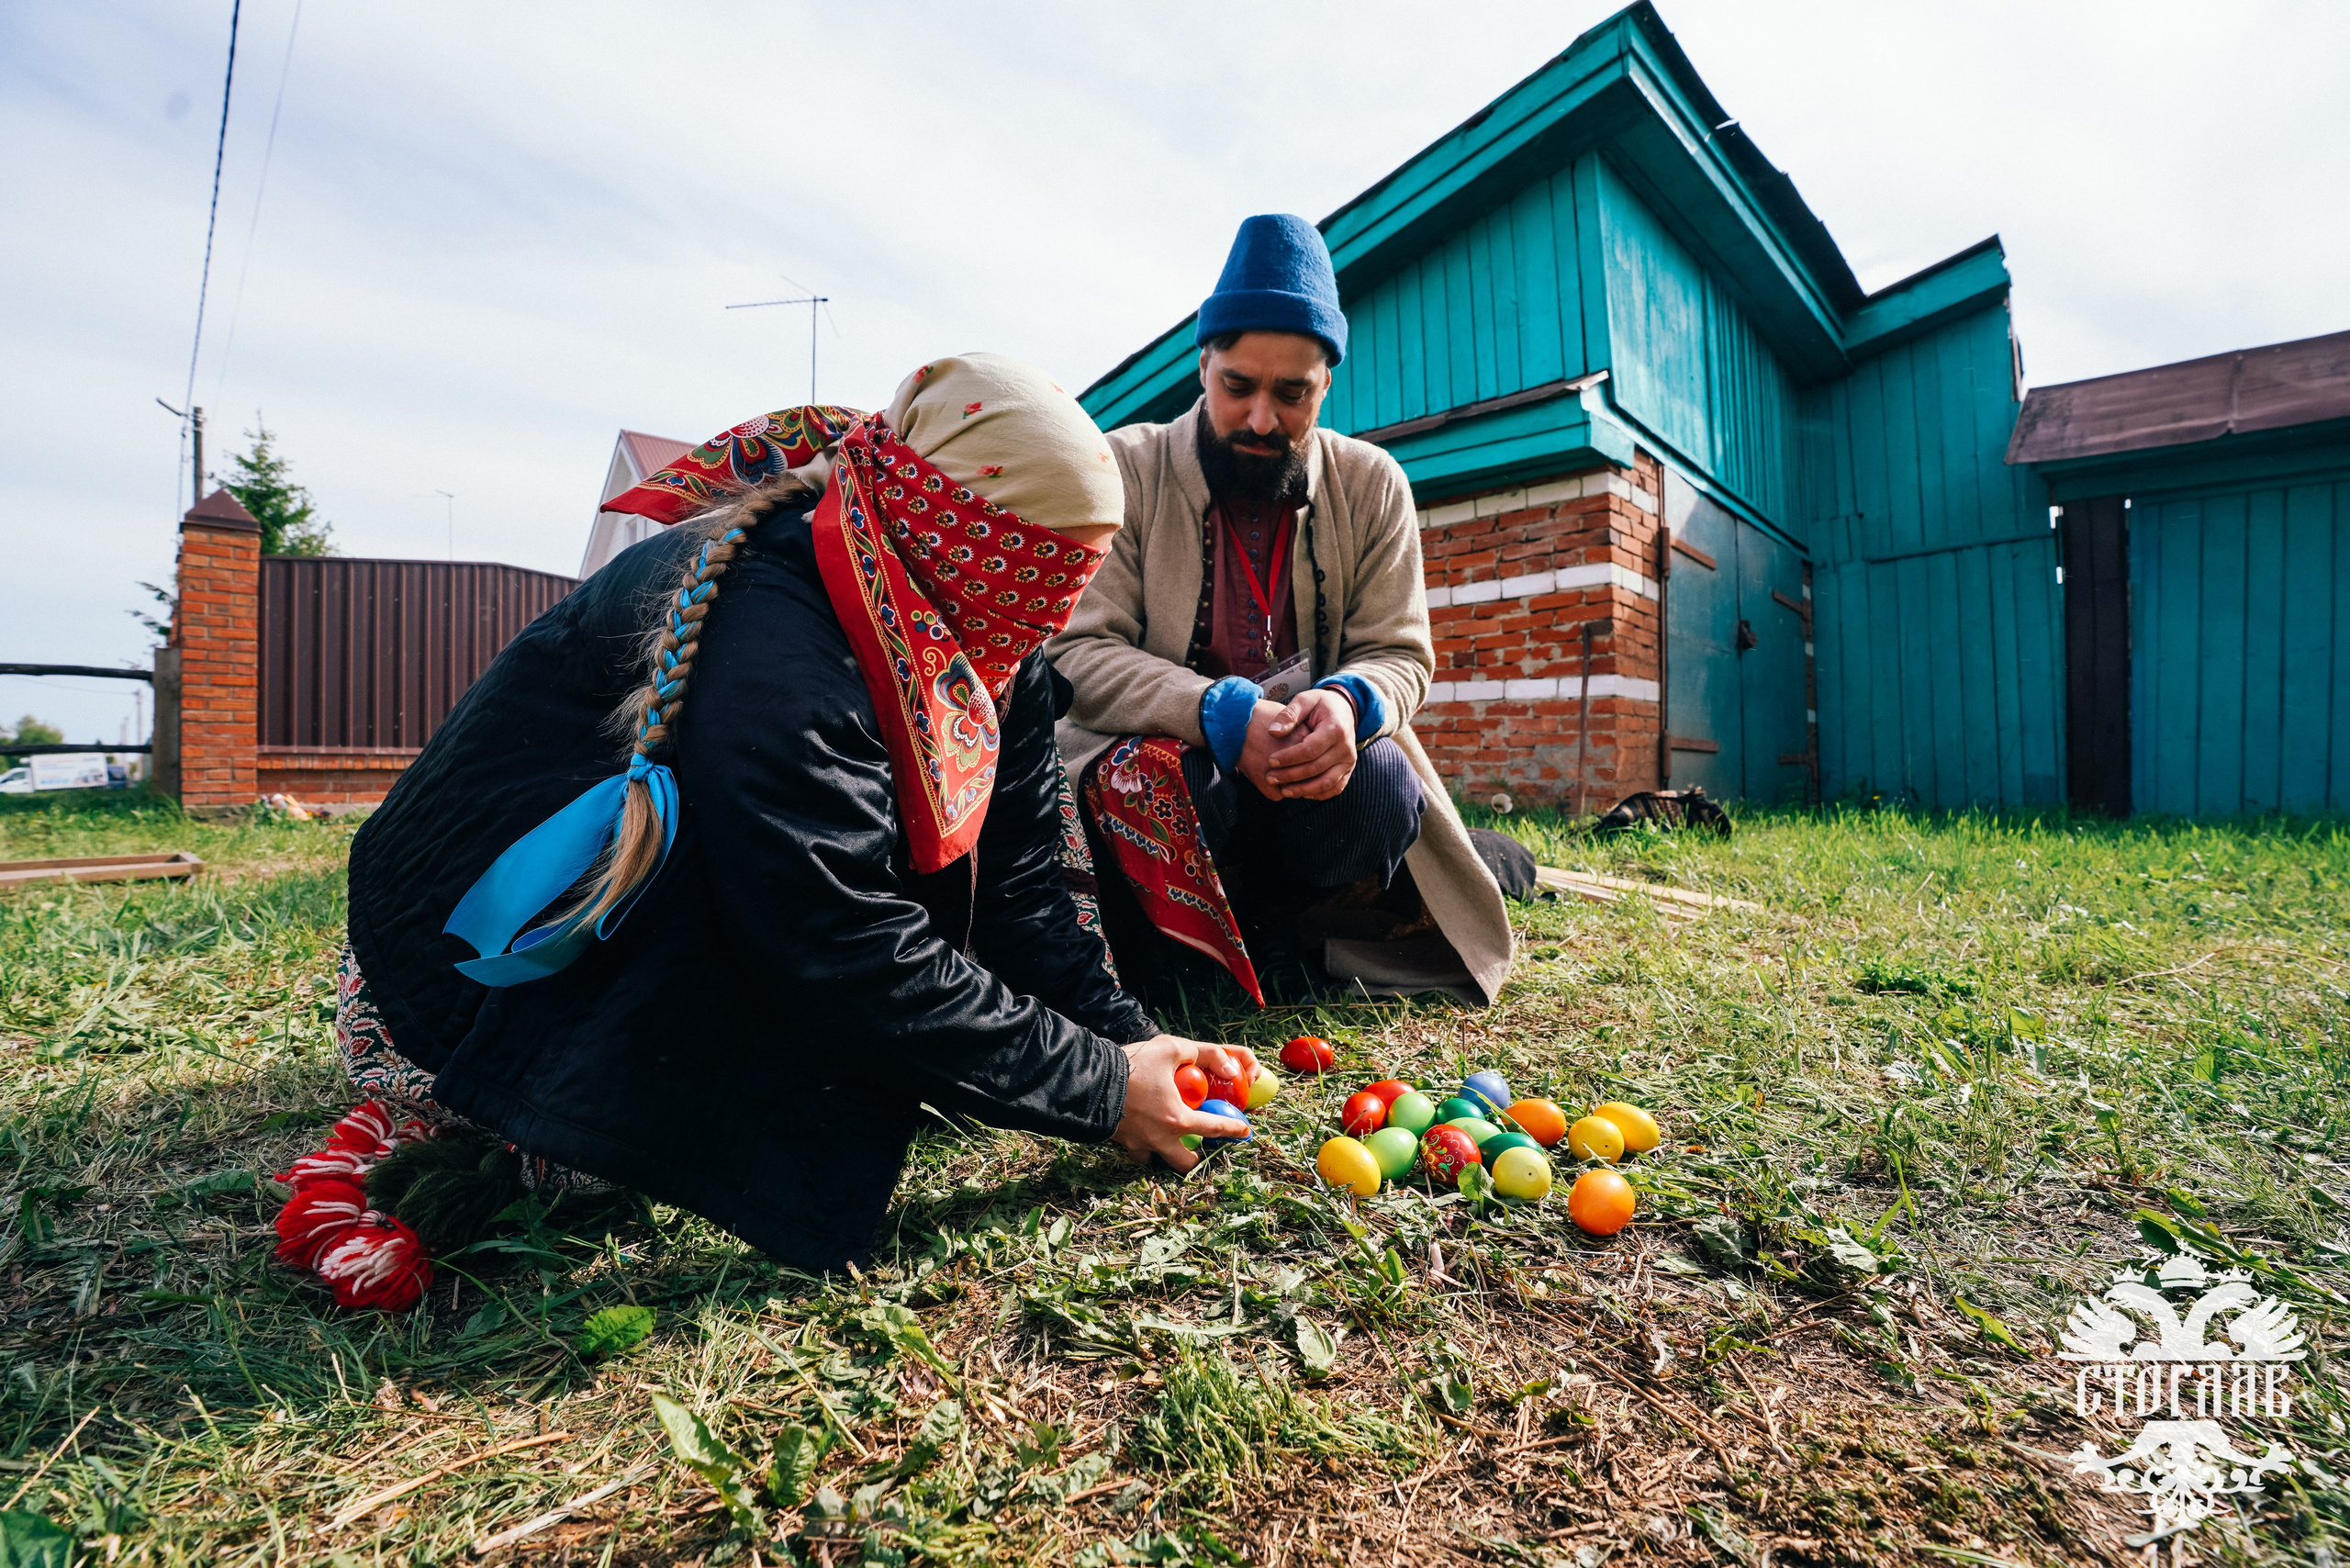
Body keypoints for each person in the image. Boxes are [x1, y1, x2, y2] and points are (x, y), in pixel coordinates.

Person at [322, 355, 1254, 1283]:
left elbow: (1021, 888)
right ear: (968, 532)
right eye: (1046, 566)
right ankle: (455, 1119)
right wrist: (1096, 1092)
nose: (1054, 604)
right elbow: (834, 934)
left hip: (750, 899)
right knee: (627, 1141)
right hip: (446, 984)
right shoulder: (774, 640)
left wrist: (1129, 1045)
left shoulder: (984, 629)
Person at [1052, 215, 1515, 1006]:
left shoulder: (1372, 484)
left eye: (1290, 394)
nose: (1262, 418)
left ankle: (1290, 928)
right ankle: (1189, 940)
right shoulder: (1124, 468)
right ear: (1204, 367)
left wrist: (1347, 702)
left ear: (1324, 386)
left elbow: (1401, 652)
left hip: (1313, 784)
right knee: (1166, 780)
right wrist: (1216, 712)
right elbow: (1078, 652)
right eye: (1239, 386)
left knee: (1381, 784)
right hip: (1178, 769)